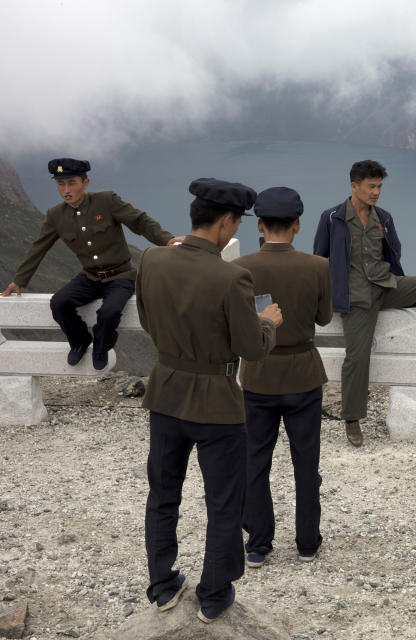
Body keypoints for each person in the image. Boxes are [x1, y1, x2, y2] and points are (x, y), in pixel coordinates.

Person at [136, 178, 282, 623]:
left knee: (163, 494)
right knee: (223, 500)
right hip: (216, 403)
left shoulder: (152, 259)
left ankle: (162, 586)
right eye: (236, 222)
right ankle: (214, 595)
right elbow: (251, 348)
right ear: (226, 222)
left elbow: (145, 317)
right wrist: (268, 322)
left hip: (164, 392)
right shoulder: (232, 277)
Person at [313, 160, 416, 448]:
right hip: (355, 297)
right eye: (371, 186)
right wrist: (324, 298)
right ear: (354, 186)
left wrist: (394, 278)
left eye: (380, 186)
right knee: (357, 358)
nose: (377, 192)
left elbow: (393, 251)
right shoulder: (332, 218)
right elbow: (320, 259)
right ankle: (352, 419)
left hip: (385, 285)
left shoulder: (384, 216)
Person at [1, 158, 183, 369]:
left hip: (120, 276)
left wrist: (167, 239)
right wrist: (19, 280)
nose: (66, 190)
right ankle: (79, 341)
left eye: (72, 183)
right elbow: (38, 249)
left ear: (85, 183)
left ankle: (101, 346)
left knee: (109, 313)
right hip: (89, 277)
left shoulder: (107, 201)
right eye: (61, 184)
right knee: (59, 303)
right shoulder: (55, 215)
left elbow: (139, 221)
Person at [233, 187, 333, 568]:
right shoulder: (318, 266)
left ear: (259, 225)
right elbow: (323, 319)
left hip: (259, 377)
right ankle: (307, 542)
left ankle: (258, 544)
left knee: (256, 462)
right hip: (304, 375)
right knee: (306, 463)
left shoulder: (240, 268)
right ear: (297, 226)